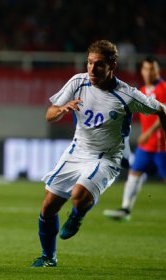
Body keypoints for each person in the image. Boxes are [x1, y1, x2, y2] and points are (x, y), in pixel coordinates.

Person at [31, 40, 166, 268]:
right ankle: (48, 258)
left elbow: (161, 108)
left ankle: (78, 215)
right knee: (47, 207)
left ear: (112, 65)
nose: (92, 70)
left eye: (99, 65)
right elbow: (49, 114)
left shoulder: (128, 95)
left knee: (78, 195)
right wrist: (62, 110)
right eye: (90, 63)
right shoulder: (78, 81)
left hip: (107, 158)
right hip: (76, 151)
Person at [103, 56, 166, 221]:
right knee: (134, 173)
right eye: (146, 69)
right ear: (142, 71)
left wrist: (149, 132)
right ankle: (125, 209)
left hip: (163, 146)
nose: (148, 72)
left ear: (158, 70)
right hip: (146, 147)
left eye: (152, 69)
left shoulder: (164, 88)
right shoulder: (143, 90)